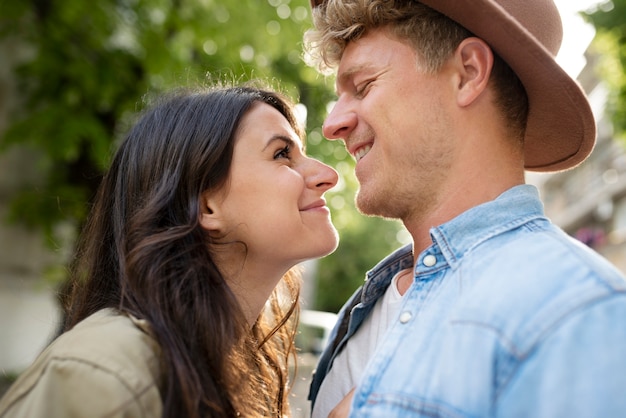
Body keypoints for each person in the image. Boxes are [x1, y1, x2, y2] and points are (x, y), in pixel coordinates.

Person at [303, 0, 626, 417]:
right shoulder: (370, 304)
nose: (332, 124)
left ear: (468, 73)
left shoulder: (577, 312)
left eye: (363, 86)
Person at [0, 85, 340, 418]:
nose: (327, 175)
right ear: (205, 206)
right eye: (282, 154)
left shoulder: (229, 371)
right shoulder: (105, 369)